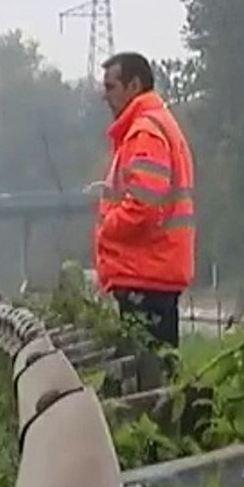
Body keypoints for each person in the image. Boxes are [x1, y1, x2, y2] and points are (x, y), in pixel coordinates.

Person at [93, 51, 196, 350]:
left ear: (134, 85)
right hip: (153, 272)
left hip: (146, 275)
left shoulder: (145, 133)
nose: (105, 96)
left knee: (145, 374)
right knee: (156, 373)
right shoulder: (155, 126)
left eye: (111, 87)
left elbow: (143, 206)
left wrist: (106, 228)